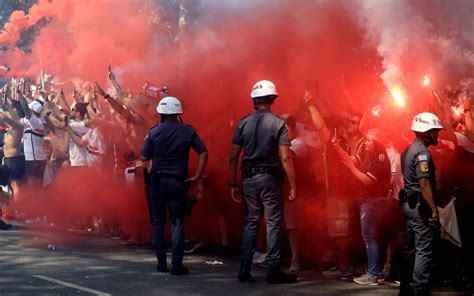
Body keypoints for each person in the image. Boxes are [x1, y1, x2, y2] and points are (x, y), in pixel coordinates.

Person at [229, 80, 297, 284]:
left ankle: (244, 268)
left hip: (248, 179)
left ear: (254, 100)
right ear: (273, 99)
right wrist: (293, 185)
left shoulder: (243, 122)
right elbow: (285, 157)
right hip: (269, 179)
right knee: (273, 223)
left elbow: (233, 156)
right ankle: (273, 270)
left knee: (251, 223)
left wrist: (232, 183)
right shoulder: (278, 124)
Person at [140, 96, 208, 275]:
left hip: (158, 181)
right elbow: (203, 152)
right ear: (178, 113)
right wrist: (197, 176)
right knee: (177, 222)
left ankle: (161, 263)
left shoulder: (153, 132)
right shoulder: (188, 131)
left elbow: (143, 156)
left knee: (158, 222)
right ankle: (177, 265)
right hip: (179, 181)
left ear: (161, 113)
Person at [336, 130, 391, 285]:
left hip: (373, 202)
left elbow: (367, 181)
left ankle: (372, 274)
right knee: (374, 238)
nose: (365, 143)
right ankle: (376, 272)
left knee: (370, 238)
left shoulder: (380, 159)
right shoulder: (369, 155)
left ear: (377, 143)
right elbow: (350, 159)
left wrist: (350, 167)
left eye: (368, 140)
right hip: (370, 201)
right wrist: (337, 147)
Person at [399, 112, 443, 296]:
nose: (437, 135)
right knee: (423, 249)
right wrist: (434, 210)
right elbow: (424, 182)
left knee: (409, 249)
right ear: (426, 132)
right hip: (420, 207)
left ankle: (405, 289)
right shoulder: (422, 153)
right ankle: (421, 290)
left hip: (408, 205)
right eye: (435, 131)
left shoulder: (408, 150)